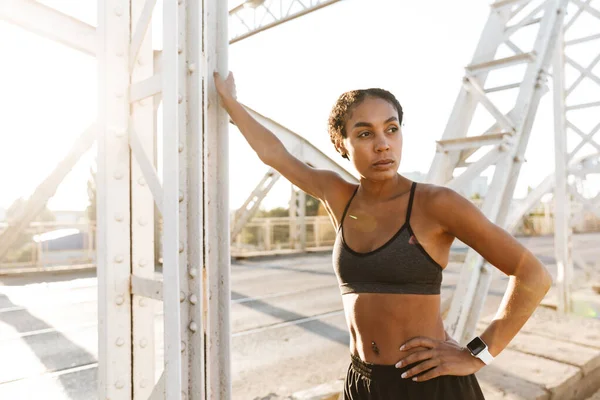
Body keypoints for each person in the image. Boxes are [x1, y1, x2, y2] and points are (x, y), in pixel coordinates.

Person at [214, 71, 552, 399]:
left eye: (391, 129)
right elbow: (276, 155)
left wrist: (477, 353)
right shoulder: (337, 196)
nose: (382, 145)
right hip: (363, 384)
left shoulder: (436, 203)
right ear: (340, 144)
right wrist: (231, 103)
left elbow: (532, 275)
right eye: (365, 134)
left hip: (428, 386)